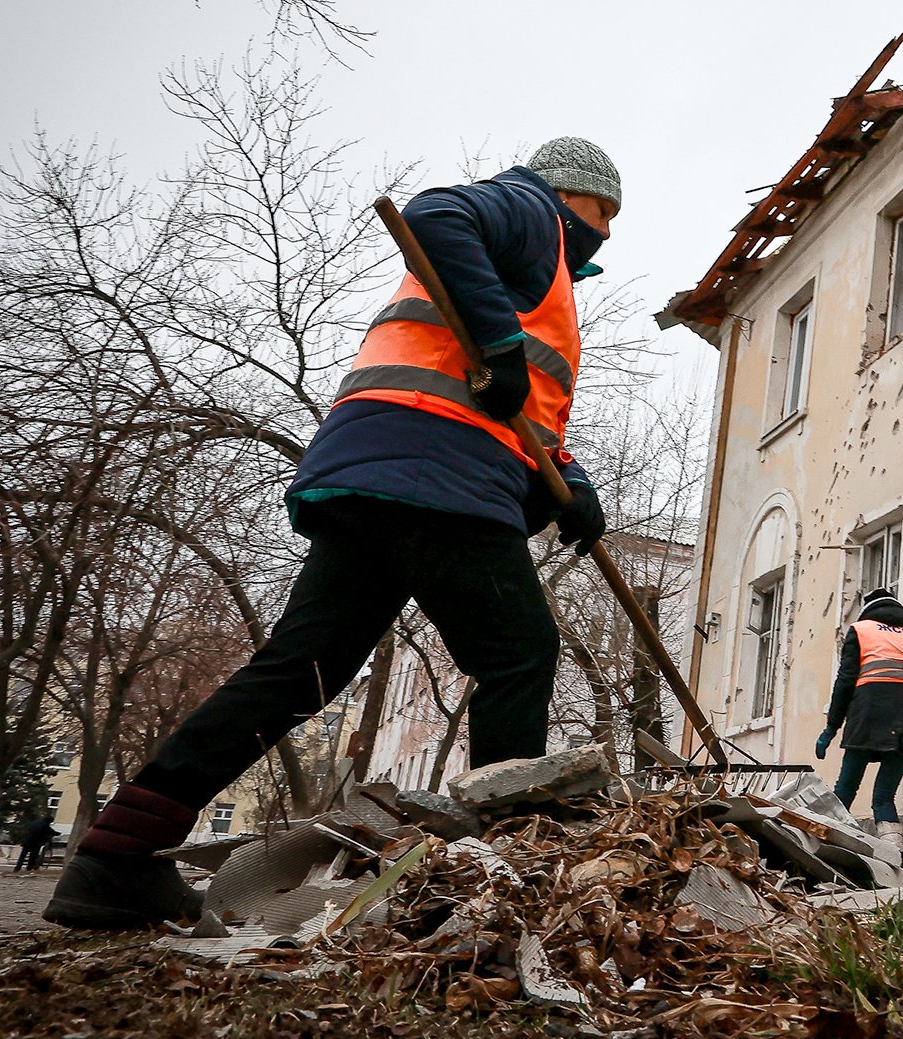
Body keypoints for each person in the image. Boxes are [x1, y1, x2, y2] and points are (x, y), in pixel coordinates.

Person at [44, 138, 623, 929]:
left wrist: (573, 486)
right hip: (437, 474)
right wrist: (497, 342)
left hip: (382, 472)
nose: (609, 233)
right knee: (519, 652)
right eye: (605, 210)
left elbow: (523, 410)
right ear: (569, 193)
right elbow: (436, 215)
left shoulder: (542, 271)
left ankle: (114, 857)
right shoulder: (529, 212)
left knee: (298, 672)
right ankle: (502, 867)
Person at [815, 588, 903, 846]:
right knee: (884, 798)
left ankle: (822, 848)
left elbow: (845, 682)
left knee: (845, 789)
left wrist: (830, 729)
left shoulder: (861, 631)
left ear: (869, 611)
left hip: (867, 721)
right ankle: (895, 859)